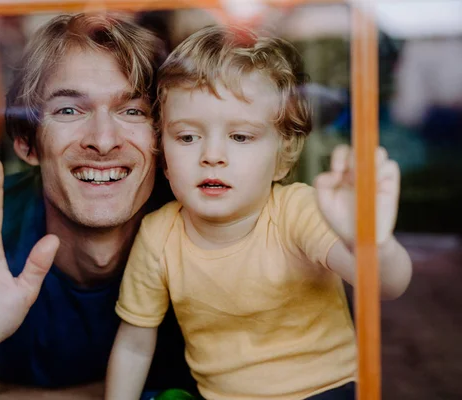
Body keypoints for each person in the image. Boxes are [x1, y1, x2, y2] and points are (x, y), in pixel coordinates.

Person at [0, 13, 194, 399]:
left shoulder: (211, 237)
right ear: (27, 143)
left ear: (162, 140)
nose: (103, 141)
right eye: (69, 110)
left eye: (132, 110)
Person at [105, 26, 413, 400]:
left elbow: (385, 286)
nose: (211, 155)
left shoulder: (297, 211)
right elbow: (135, 344)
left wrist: (370, 242)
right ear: (163, 156)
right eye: (187, 137)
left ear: (283, 157)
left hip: (328, 390)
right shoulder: (158, 235)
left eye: (240, 137)